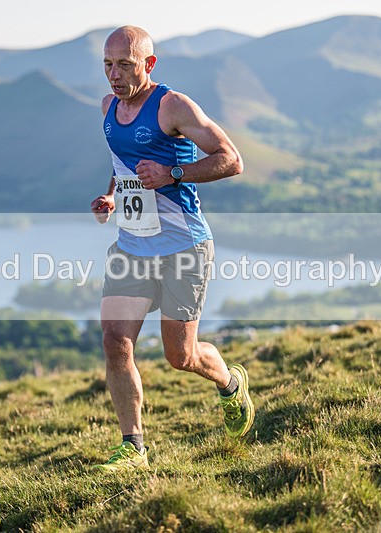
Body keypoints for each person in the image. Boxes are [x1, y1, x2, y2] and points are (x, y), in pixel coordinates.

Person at [89, 26, 252, 472]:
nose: (114, 75)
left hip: (184, 247)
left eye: (125, 65)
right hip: (132, 246)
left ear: (149, 64)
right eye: (108, 65)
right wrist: (112, 197)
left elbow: (231, 159)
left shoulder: (172, 106)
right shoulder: (108, 107)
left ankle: (229, 384)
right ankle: (133, 448)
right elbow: (124, 162)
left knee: (181, 356)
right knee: (115, 341)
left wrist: (172, 173)